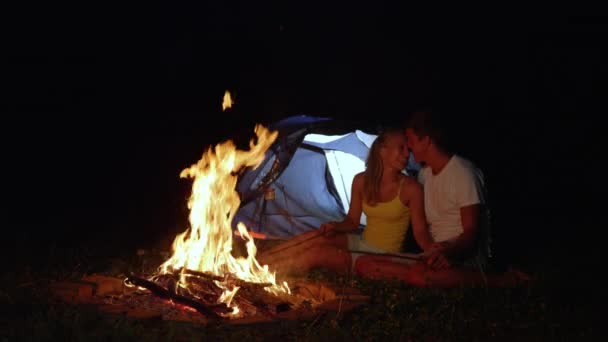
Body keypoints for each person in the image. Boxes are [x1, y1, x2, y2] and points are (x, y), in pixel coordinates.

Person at [354, 110, 530, 287]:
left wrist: (450, 253)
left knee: (420, 276)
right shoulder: (425, 175)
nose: (409, 149)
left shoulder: (463, 172)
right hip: (434, 254)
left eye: (411, 141)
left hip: (461, 257)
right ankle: (422, 275)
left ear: (427, 141)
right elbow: (421, 229)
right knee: (365, 264)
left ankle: (500, 280)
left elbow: (471, 233)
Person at [256, 126, 433, 277]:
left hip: (383, 256)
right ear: (382, 150)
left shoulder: (411, 188)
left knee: (318, 252)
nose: (406, 155)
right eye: (401, 148)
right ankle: (258, 264)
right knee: (316, 237)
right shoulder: (361, 181)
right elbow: (352, 222)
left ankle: (267, 274)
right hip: (362, 242)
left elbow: (421, 232)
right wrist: (335, 226)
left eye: (408, 150)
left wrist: (436, 253)